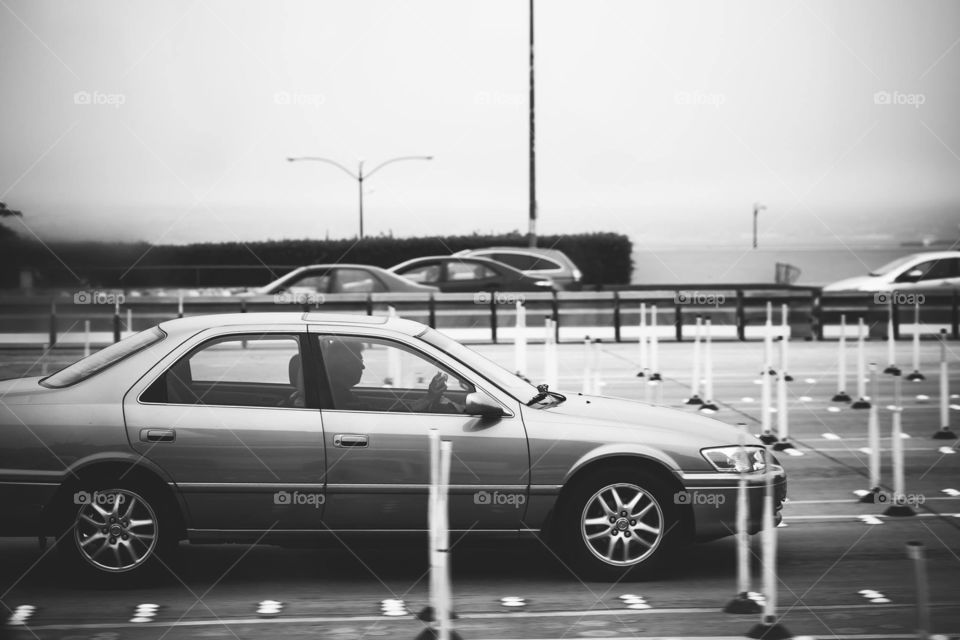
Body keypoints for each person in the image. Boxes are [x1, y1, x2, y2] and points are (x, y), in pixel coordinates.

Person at [322, 339, 458, 413]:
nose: (363, 367)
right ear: (344, 364)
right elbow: (383, 414)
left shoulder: (336, 393)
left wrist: (428, 398)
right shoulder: (338, 397)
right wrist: (428, 398)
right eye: (359, 361)